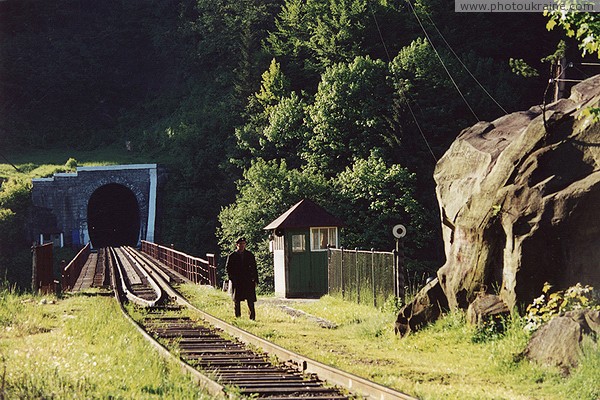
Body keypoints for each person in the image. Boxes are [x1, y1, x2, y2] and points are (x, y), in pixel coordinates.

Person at [225, 237, 258, 320]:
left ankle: (252, 317)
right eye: (240, 244)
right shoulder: (232, 256)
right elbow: (228, 268)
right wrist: (232, 279)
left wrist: (256, 280)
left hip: (248, 280)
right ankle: (238, 316)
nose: (242, 246)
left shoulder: (250, 255)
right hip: (237, 280)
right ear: (237, 245)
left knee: (250, 299)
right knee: (237, 299)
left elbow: (254, 268)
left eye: (243, 244)